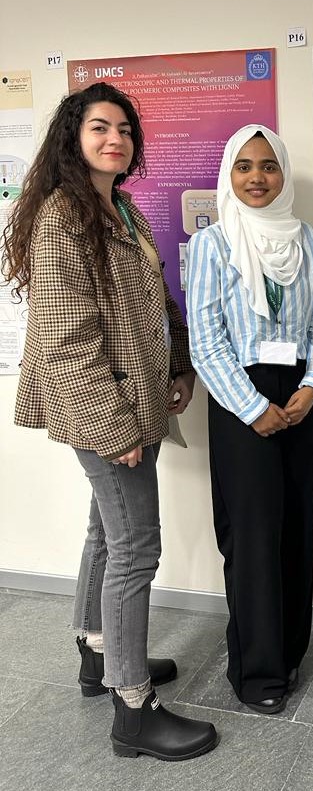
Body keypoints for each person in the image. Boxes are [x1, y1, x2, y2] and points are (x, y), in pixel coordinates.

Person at [2, 82, 218, 761]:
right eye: (100, 127)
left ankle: (98, 655)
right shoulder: (64, 216)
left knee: (106, 528)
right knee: (136, 549)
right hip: (106, 406)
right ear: (74, 136)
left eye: (124, 128)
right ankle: (133, 709)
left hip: (137, 393)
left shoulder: (118, 207)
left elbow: (157, 302)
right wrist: (113, 426)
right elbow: (68, 338)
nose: (115, 139)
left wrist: (179, 363)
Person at [186, 124, 313, 714]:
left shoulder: (306, 240)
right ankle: (257, 673)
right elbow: (205, 340)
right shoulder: (213, 245)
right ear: (229, 174)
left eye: (268, 166)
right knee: (250, 538)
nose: (256, 178)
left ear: (282, 174)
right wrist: (251, 407)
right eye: (244, 166)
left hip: (298, 394)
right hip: (238, 398)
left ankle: (290, 652)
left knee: (297, 526)